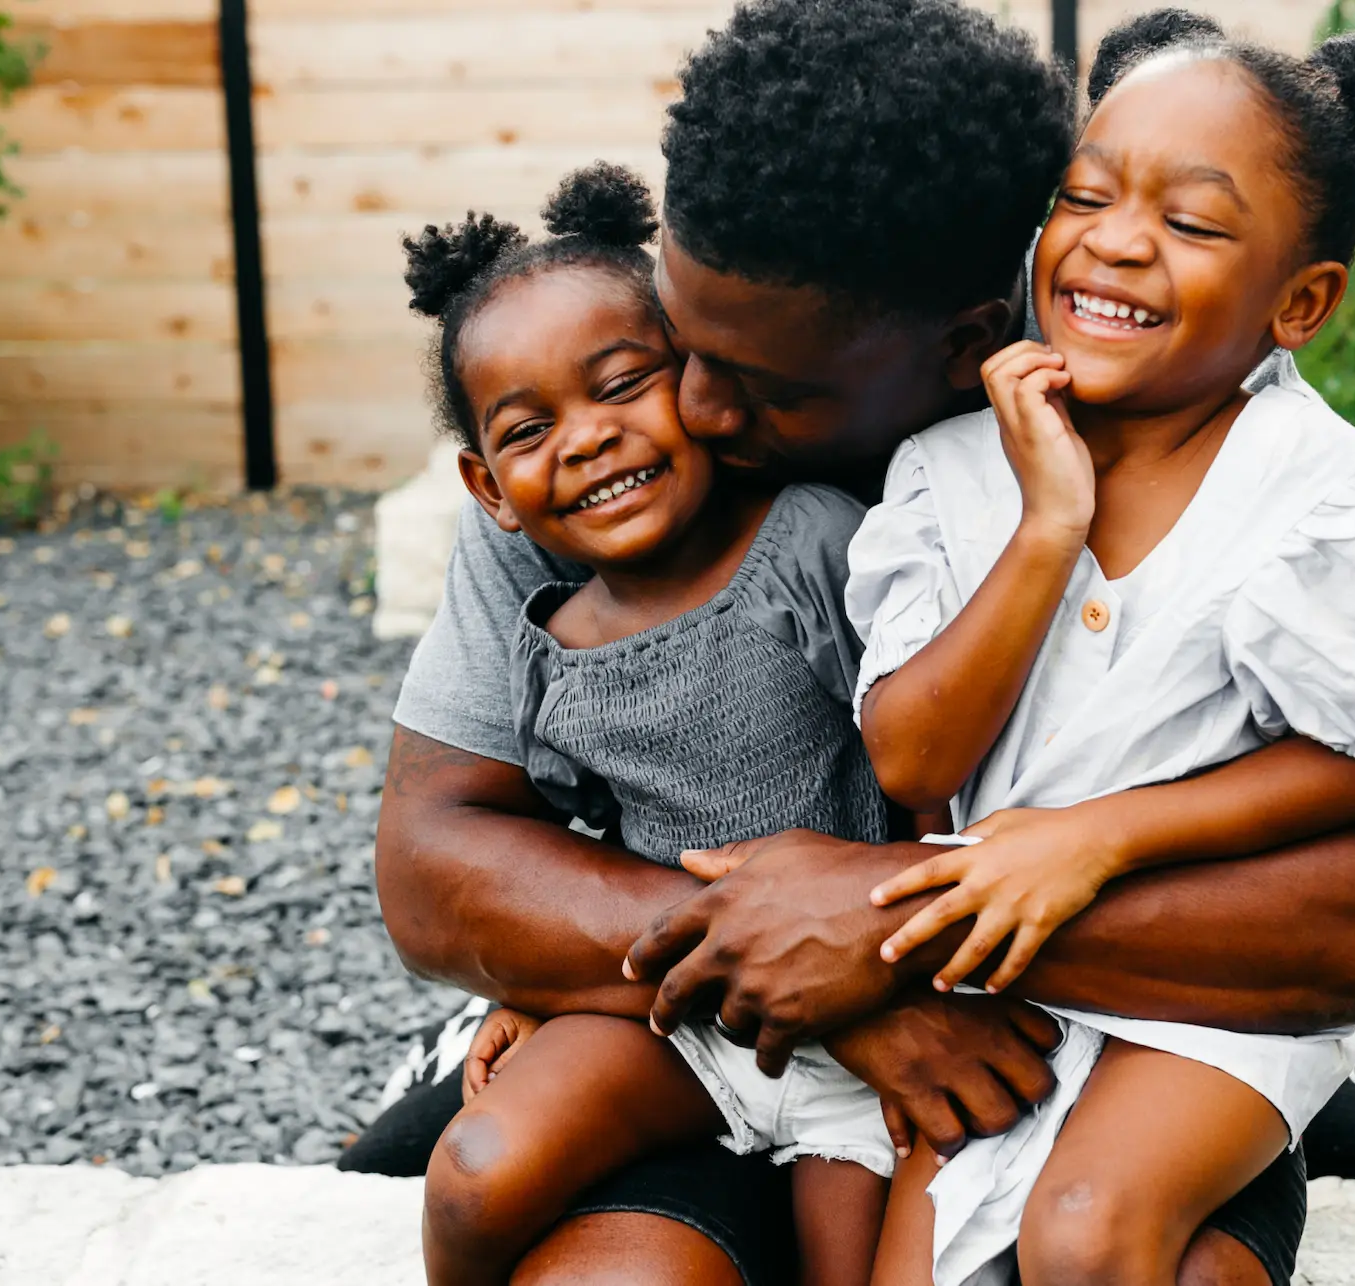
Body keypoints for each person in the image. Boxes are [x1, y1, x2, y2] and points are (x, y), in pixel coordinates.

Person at [348, 3, 1355, 1283]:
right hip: (702, 1018)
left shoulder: (1141, 397)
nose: (698, 406)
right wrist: (840, 975)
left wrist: (891, 935)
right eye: (681, 342)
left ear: (966, 347)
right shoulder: (603, 430)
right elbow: (435, 859)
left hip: (1089, 1023)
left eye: (773, 388)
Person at [842, 23, 1355, 1285]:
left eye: (1191, 224)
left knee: (1087, 1230)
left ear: (1299, 302)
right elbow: (913, 749)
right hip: (999, 985)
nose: (1117, 240)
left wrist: (1100, 834)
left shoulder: (1309, 500)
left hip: (1208, 998)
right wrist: (1048, 525)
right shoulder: (951, 474)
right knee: (913, 1264)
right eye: (1084, 196)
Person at [400, 163, 898, 1286]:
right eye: (532, 430)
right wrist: (531, 986)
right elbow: (561, 841)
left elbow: (923, 755)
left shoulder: (807, 543)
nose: (584, 440)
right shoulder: (546, 634)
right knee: (478, 1163)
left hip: (855, 986)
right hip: (676, 1004)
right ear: (486, 487)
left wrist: (909, 950)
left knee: (853, 1262)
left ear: (700, 380)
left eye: (623, 385)